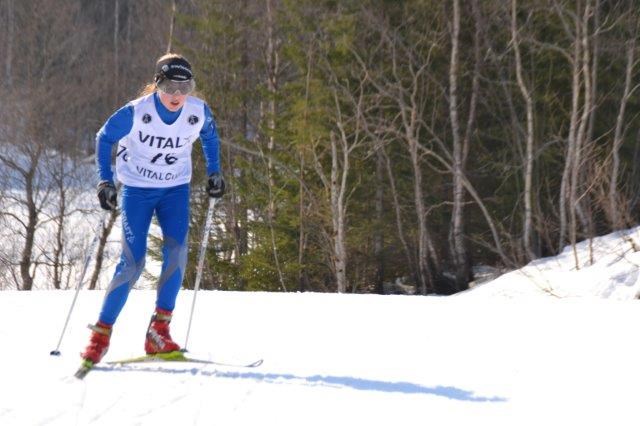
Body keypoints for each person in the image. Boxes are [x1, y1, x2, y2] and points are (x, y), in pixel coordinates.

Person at [81, 53, 225, 366]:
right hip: (138, 190)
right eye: (171, 87)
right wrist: (104, 181)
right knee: (132, 263)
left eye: (184, 87)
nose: (177, 95)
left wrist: (215, 173)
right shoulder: (137, 112)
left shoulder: (197, 111)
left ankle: (158, 332)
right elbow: (104, 138)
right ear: (158, 84)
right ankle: (100, 335)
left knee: (176, 254)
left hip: (175, 190)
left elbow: (211, 138)